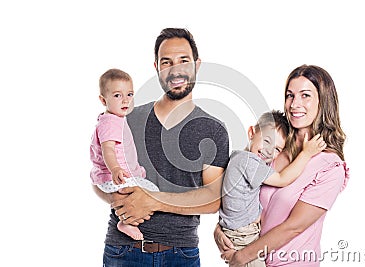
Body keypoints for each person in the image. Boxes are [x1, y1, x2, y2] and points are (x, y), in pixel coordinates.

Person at [93, 28, 230, 266]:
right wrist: (117, 200)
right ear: (156, 67)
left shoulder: (213, 130)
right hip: (123, 251)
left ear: (197, 64)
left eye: (183, 61)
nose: (175, 70)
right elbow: (99, 175)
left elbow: (212, 199)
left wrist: (154, 201)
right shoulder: (127, 119)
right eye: (166, 62)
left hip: (181, 254)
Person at [214, 64, 349, 267]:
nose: (295, 104)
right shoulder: (271, 150)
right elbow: (239, 194)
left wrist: (242, 256)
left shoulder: (330, 167)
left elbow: (293, 227)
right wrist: (221, 230)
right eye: (290, 95)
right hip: (253, 258)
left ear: (323, 101)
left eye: (305, 95)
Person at [219, 110, 326, 267]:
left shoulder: (240, 157)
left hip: (242, 232)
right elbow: (283, 179)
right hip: (244, 236)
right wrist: (306, 153)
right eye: (266, 141)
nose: (269, 151)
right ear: (251, 133)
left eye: (277, 149)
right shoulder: (249, 162)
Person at [90, 68, 159, 240]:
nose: (125, 100)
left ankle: (128, 220)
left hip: (116, 174)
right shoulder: (110, 123)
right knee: (151, 193)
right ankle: (126, 222)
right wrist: (115, 169)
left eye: (129, 94)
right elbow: (108, 150)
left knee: (146, 194)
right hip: (114, 177)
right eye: (117, 95)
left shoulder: (115, 118)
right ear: (103, 100)